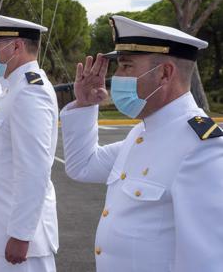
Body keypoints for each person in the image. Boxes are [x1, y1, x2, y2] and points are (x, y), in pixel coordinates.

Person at [60, 15, 223, 272]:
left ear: (164, 74)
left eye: (126, 67)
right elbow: (83, 166)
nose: (117, 77)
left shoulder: (201, 147)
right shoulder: (142, 133)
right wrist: (84, 105)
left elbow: (206, 260)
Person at [0, 12, 59, 271]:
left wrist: (21, 234)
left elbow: (34, 170)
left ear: (16, 46)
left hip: (15, 239)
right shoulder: (12, 87)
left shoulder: (30, 92)